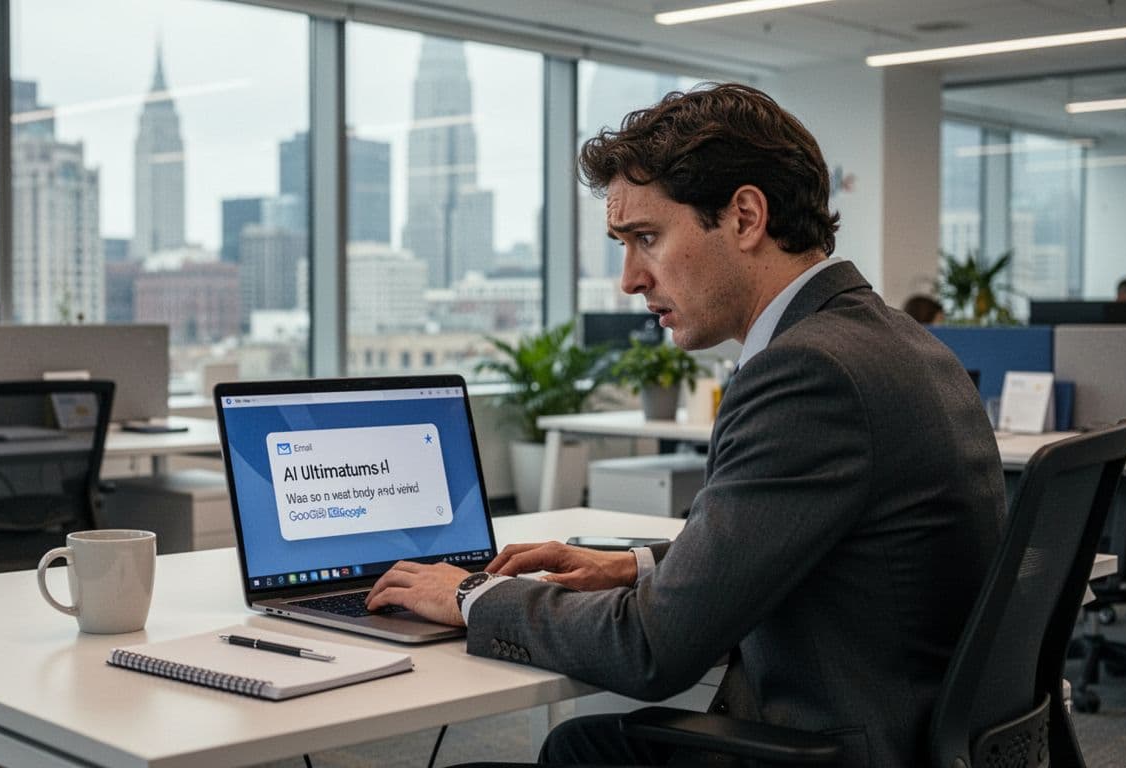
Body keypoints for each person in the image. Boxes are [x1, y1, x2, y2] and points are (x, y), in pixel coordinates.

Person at [365, 83, 1004, 767]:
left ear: (746, 217)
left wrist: (471, 594)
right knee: (582, 743)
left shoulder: (808, 374)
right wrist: (633, 565)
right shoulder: (892, 341)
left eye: (646, 238)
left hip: (843, 744)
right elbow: (808, 546)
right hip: (907, 724)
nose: (629, 280)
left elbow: (651, 649)